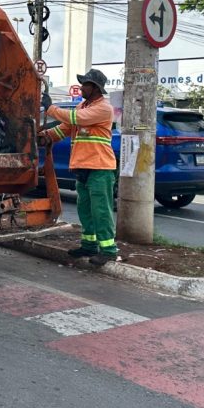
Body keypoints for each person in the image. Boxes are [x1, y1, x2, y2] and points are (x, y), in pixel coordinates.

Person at [38, 68, 118, 265]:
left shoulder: (103, 108)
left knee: (101, 210)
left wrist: (51, 109)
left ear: (95, 88)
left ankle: (108, 249)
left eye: (85, 84)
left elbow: (75, 119)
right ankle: (89, 245)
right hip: (83, 168)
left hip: (100, 168)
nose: (81, 87)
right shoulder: (83, 106)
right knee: (85, 210)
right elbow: (65, 128)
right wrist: (46, 136)